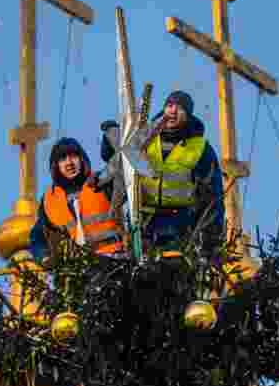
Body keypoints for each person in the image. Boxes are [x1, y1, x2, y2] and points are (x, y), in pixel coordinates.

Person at [122, 90, 225, 252]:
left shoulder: (200, 148)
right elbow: (121, 157)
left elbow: (213, 196)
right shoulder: (144, 139)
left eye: (180, 108)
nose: (173, 111)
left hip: (180, 226)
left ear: (188, 116)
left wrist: (212, 237)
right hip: (144, 224)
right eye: (169, 105)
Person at [28, 137, 125, 261]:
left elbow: (124, 178)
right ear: (56, 166)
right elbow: (37, 236)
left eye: (73, 156)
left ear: (82, 159)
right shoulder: (50, 200)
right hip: (82, 267)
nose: (69, 163)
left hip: (115, 258)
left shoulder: (102, 181)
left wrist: (110, 144)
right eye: (62, 159)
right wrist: (43, 256)